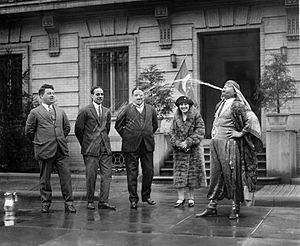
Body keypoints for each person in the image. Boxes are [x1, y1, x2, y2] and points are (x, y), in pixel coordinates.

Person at [196, 80, 263, 220]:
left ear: (235, 91)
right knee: (215, 174)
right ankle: (212, 206)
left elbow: (251, 120)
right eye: (223, 86)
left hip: (230, 145)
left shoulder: (237, 105)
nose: (223, 89)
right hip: (215, 144)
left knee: (232, 175)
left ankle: (235, 207)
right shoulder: (219, 105)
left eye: (227, 87)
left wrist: (241, 133)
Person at [25, 84, 76, 213]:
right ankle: (46, 203)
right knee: (45, 179)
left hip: (60, 149)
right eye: (49, 93)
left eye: (53, 93)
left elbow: (66, 128)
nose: (52, 95)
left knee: (66, 177)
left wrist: (58, 138)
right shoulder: (35, 112)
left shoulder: (60, 111)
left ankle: (69, 203)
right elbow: (29, 131)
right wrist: (41, 141)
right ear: (41, 96)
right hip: (44, 149)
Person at [115, 87, 158, 209]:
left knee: (148, 171)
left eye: (141, 95)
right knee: (132, 173)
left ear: (144, 96)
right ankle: (133, 199)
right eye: (136, 95)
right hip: (130, 146)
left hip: (147, 145)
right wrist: (128, 136)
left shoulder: (151, 109)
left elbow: (154, 126)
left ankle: (146, 196)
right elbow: (118, 125)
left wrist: (146, 133)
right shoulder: (126, 109)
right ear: (132, 96)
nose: (139, 97)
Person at [75, 86, 115, 210]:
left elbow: (106, 129)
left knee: (107, 175)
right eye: (97, 94)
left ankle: (103, 201)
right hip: (90, 149)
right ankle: (90, 201)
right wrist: (86, 144)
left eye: (102, 94)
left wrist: (102, 141)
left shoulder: (107, 111)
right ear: (92, 96)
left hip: (105, 148)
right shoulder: (85, 111)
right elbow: (78, 130)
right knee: (91, 176)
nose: (100, 96)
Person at [169, 96, 206, 208]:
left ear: (189, 105)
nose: (183, 106)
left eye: (185, 104)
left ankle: (191, 198)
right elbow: (171, 132)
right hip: (179, 150)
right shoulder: (176, 117)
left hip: (193, 150)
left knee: (192, 175)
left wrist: (188, 142)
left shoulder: (196, 115)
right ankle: (180, 198)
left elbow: (200, 130)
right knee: (180, 175)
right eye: (181, 105)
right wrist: (178, 143)